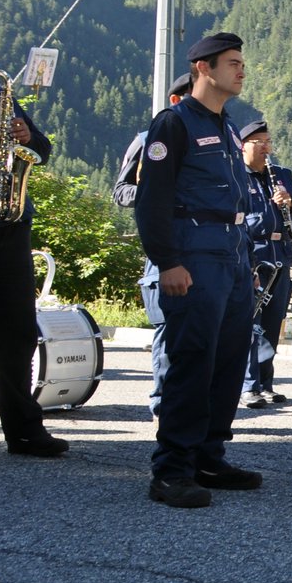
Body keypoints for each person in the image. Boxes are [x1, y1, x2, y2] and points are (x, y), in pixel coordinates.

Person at [134, 31, 263, 508]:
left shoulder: (228, 126)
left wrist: (244, 262)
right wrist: (167, 261)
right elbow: (151, 201)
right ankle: (171, 471)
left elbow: (235, 200)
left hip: (231, 255)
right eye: (232, 62)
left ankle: (209, 456)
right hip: (193, 254)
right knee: (191, 360)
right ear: (203, 69)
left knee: (228, 360)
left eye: (241, 62)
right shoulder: (174, 124)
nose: (241, 69)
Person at [0, 72, 63, 458]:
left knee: (17, 333)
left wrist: (26, 137)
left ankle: (23, 431)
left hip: (10, 222)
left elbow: (42, 149)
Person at [112, 71, 192, 417]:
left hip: (206, 246)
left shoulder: (219, 136)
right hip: (167, 244)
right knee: (167, 328)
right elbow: (121, 191)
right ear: (176, 100)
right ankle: (163, 402)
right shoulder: (148, 139)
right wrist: (156, 192)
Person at [237, 121, 292, 408]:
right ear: (244, 145)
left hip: (281, 255)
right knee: (249, 324)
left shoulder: (282, 175)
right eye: (260, 142)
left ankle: (266, 383)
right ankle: (248, 385)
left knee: (271, 323)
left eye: (269, 141)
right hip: (253, 255)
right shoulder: (237, 177)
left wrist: (289, 203)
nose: (267, 148)